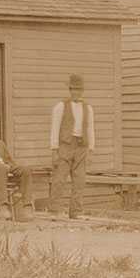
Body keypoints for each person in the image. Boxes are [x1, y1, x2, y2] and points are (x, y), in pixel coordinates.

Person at [49, 74, 94, 218]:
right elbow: (55, 128)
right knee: (59, 179)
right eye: (74, 89)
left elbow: (90, 129)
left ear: (82, 91)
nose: (77, 92)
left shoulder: (88, 108)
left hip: (81, 146)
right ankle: (54, 210)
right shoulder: (61, 106)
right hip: (65, 146)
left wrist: (90, 149)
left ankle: (76, 211)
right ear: (70, 90)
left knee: (80, 180)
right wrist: (54, 150)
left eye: (79, 89)